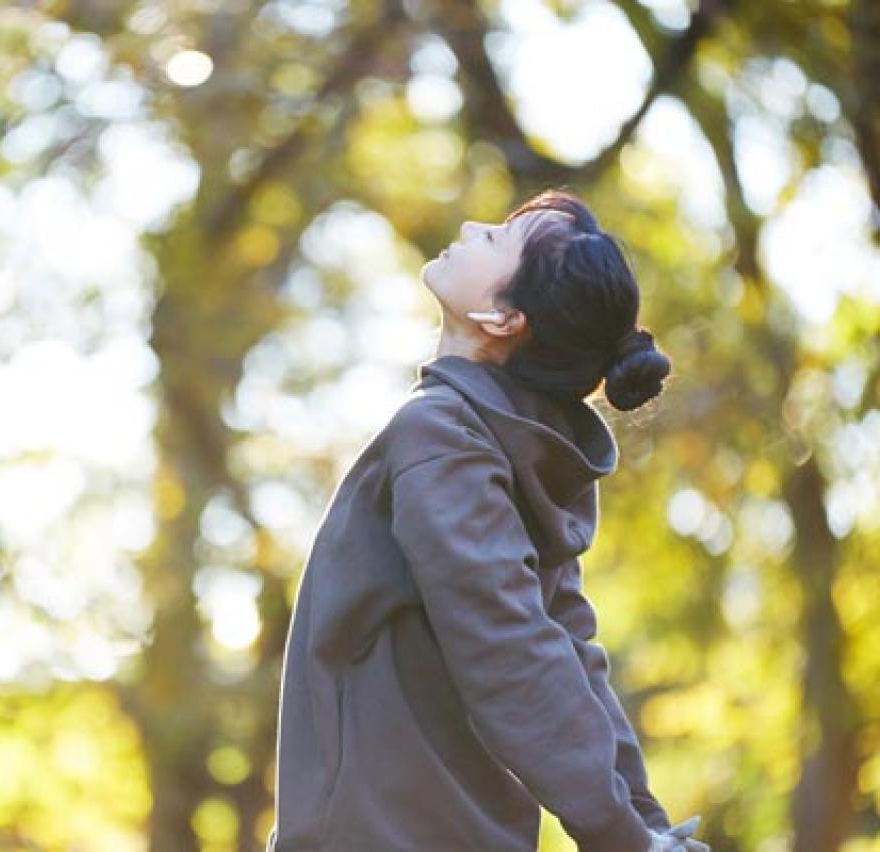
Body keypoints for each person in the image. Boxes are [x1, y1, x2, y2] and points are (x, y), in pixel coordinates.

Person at [265, 189, 708, 851]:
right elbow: (566, 659)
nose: (472, 227)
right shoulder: (515, 454)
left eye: (497, 238)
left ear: (502, 318)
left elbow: (512, 652)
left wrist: (629, 837)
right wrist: (642, 828)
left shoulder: (440, 435)